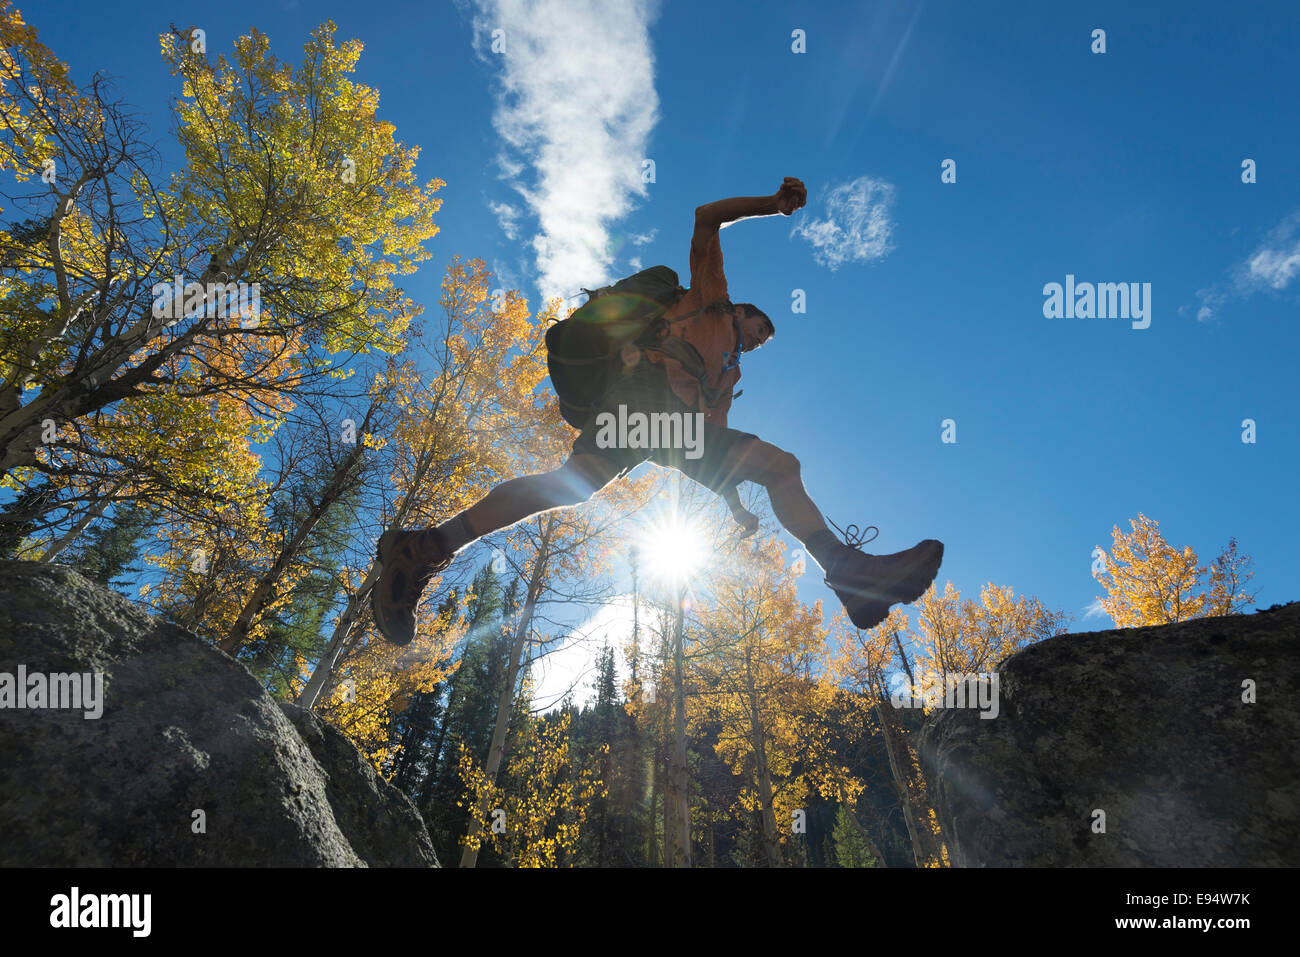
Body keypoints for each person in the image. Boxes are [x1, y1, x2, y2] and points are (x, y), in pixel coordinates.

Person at [372, 177, 943, 645]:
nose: (760, 339)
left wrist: (735, 503)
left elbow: (711, 450)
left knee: (580, 486)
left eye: (766, 339)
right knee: (775, 464)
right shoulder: (710, 300)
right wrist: (771, 205)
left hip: (662, 430)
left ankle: (425, 546)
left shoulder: (728, 375)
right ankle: (848, 572)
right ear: (739, 310)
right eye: (759, 326)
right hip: (640, 399)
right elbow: (705, 215)